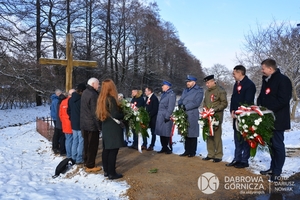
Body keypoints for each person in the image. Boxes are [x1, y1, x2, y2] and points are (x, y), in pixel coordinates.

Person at [257, 58, 292, 182]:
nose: (262, 71)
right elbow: (262, 96)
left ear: (270, 69)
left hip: (278, 119)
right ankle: (272, 168)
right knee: (271, 145)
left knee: (277, 145)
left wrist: (268, 110)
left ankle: (277, 171)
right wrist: (259, 107)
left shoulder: (283, 80)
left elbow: (283, 100)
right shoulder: (266, 80)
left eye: (263, 68)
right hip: (267, 119)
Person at [226, 65, 256, 168]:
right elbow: (233, 98)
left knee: (245, 138)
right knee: (237, 137)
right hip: (236, 116)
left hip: (245, 115)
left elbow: (247, 101)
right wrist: (232, 111)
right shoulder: (236, 84)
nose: (233, 75)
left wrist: (239, 111)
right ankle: (237, 158)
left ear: (240, 73)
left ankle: (244, 160)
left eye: (234, 73)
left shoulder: (249, 85)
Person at [96, 79, 124, 180]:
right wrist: (123, 113)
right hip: (113, 127)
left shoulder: (101, 98)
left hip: (106, 126)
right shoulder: (111, 99)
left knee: (106, 149)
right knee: (113, 150)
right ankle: (112, 173)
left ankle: (107, 171)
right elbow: (115, 114)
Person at [202, 75, 228, 162]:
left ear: (213, 81)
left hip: (216, 116)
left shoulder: (220, 90)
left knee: (216, 136)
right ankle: (211, 154)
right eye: (206, 83)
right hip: (207, 116)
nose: (207, 84)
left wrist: (215, 109)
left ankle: (218, 155)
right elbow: (205, 102)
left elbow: (224, 103)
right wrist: (205, 110)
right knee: (209, 135)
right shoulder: (207, 92)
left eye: (208, 82)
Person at [178, 75, 203, 157]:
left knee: (192, 133)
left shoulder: (199, 90)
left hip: (192, 113)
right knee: (186, 132)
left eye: (189, 82)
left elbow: (196, 102)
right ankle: (186, 150)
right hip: (184, 113)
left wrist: (186, 106)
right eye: (187, 82)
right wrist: (180, 104)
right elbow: (181, 99)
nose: (187, 83)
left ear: (193, 82)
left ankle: (192, 151)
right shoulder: (185, 90)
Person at [80, 77, 102, 172]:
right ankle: (90, 165)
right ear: (93, 84)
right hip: (91, 125)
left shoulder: (85, 92)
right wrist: (99, 126)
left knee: (86, 145)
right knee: (92, 146)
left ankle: (86, 161)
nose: (99, 86)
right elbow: (95, 112)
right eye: (98, 84)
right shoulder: (93, 94)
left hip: (84, 124)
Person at [155, 80, 176, 154]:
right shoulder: (164, 94)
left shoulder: (171, 94)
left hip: (165, 115)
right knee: (161, 132)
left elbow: (171, 106)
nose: (162, 87)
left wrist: (167, 116)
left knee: (166, 132)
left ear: (167, 86)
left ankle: (168, 148)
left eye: (163, 85)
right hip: (160, 115)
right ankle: (163, 147)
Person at [68, 83, 86, 164]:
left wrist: (72, 117)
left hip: (73, 122)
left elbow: (68, 111)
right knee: (81, 141)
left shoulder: (71, 99)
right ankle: (79, 158)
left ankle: (73, 157)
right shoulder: (81, 100)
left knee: (75, 140)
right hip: (81, 122)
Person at [59, 89, 75, 159]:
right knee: (73, 140)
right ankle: (72, 155)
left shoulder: (63, 102)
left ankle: (69, 154)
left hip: (65, 123)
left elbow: (60, 114)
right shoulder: (72, 102)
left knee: (68, 140)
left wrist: (63, 121)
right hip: (71, 123)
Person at [144, 87, 159, 151]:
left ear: (150, 91)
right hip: (147, 117)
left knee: (153, 132)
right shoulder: (147, 98)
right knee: (144, 130)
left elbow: (155, 109)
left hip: (153, 118)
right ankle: (144, 144)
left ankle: (152, 145)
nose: (145, 92)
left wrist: (148, 115)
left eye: (146, 91)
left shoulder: (154, 98)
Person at [50, 89, 62, 154]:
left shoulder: (54, 100)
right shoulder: (56, 101)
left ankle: (55, 146)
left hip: (55, 117)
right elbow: (58, 111)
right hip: (56, 118)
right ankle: (55, 146)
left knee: (57, 132)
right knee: (57, 132)